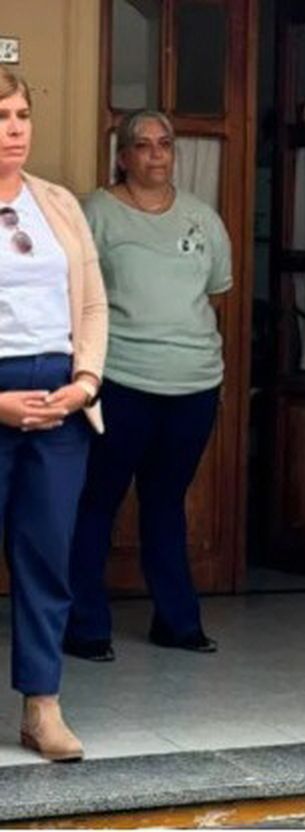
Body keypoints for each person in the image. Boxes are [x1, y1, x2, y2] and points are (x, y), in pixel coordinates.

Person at [64, 110, 232, 662]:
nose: (156, 155)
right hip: (121, 381)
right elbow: (75, 295)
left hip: (194, 384)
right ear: (123, 155)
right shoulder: (96, 213)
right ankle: (86, 626)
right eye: (143, 145)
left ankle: (177, 621)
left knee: (165, 501)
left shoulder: (202, 218)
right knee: (98, 501)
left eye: (165, 144)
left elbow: (214, 291)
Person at [0, 67, 108, 762]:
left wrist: (86, 382)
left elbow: (94, 302)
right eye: (0, 116)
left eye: (20, 115)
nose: (13, 130)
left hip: (62, 403)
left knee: (46, 560)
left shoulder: (59, 203)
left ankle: (43, 707)